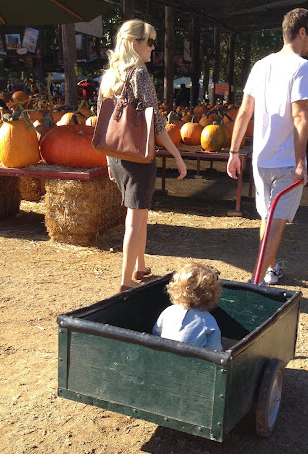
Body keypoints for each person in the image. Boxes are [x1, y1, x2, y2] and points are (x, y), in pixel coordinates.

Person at [227, 7, 308, 285]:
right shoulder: (303, 67)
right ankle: (255, 283)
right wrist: (300, 163)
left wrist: (233, 152)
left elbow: (244, 112)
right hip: (287, 160)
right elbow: (300, 117)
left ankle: (271, 269)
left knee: (267, 217)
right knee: (276, 222)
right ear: (301, 32)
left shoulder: (261, 65)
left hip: (261, 160)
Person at [99, 19, 187, 292]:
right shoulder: (139, 74)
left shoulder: (110, 75)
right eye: (149, 42)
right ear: (134, 43)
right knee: (135, 220)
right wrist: (177, 155)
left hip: (117, 154)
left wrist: (108, 159)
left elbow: (103, 120)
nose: (152, 48)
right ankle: (126, 280)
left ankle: (140, 266)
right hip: (138, 156)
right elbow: (157, 123)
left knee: (139, 213)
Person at [152, 262, 222, 350]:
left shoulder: (169, 311)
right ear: (213, 294)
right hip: (191, 358)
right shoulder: (208, 321)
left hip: (163, 354)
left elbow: (156, 333)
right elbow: (215, 350)